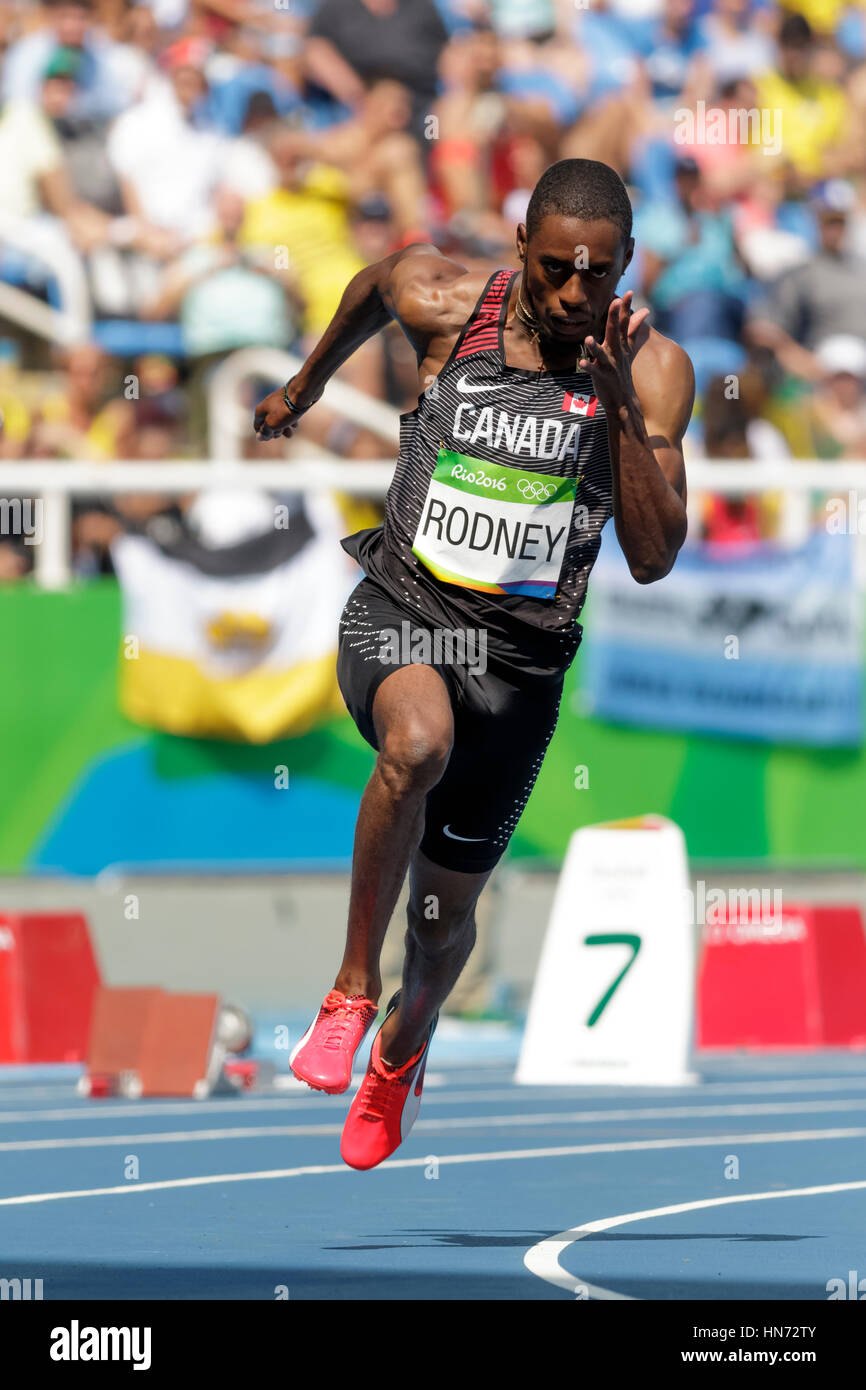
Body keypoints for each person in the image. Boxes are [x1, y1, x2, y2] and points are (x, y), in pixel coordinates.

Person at [253, 157, 693, 1171]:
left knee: (444, 928)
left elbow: (656, 554)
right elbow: (375, 279)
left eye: (597, 274)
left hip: (520, 667)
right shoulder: (447, 302)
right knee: (414, 740)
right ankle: (349, 989)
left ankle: (401, 1050)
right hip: (402, 608)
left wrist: (618, 399)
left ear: (624, 263)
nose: (574, 295)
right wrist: (303, 386)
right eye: (553, 271)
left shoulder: (655, 368)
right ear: (520, 252)